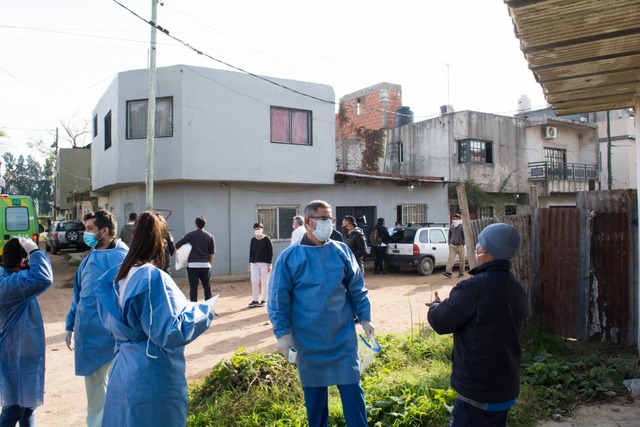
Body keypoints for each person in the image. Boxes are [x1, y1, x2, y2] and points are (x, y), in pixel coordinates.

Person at [94, 211, 215, 427]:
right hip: (152, 375)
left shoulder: (117, 276)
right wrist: (204, 312)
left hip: (122, 371)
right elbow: (170, 331)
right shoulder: (152, 278)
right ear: (161, 241)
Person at [268, 200, 375, 427]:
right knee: (315, 405)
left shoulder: (341, 251)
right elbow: (279, 299)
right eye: (324, 219)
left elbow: (357, 288)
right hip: (308, 342)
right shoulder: (290, 258)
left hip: (342, 339)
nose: (329, 223)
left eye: (331, 219)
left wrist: (365, 318)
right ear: (309, 221)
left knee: (353, 394)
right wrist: (282, 334)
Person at [426, 223, 528, 427]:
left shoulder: (473, 287)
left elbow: (441, 322)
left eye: (480, 243)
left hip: (478, 391)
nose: (477, 248)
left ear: (485, 250)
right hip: (505, 388)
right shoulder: (516, 287)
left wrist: (436, 306)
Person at [65, 209, 128, 427]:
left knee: (119, 394)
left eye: (90, 229)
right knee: (95, 399)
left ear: (104, 231)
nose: (86, 233)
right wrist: (70, 325)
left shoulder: (125, 260)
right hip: (89, 339)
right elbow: (78, 296)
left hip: (116, 339)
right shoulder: (88, 260)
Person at [0, 238, 53, 427]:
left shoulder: (8, 277)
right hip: (15, 354)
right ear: (23, 262)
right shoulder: (11, 285)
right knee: (14, 407)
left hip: (24, 351)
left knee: (28, 406)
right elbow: (43, 278)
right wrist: (36, 251)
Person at [175, 216, 215, 302]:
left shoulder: (191, 235)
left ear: (195, 225)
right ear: (204, 225)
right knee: (207, 288)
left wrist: (179, 257)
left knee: (193, 289)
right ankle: (208, 308)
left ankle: (193, 308)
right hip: (205, 265)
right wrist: (209, 264)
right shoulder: (210, 236)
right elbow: (212, 254)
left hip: (193, 266)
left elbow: (177, 245)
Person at [247, 223, 273, 307]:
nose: (257, 230)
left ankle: (264, 300)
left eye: (258, 229)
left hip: (265, 264)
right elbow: (251, 252)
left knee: (265, 282)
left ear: (262, 229)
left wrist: (269, 264)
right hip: (254, 264)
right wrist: (250, 263)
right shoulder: (253, 240)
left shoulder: (267, 239)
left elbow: (270, 252)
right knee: (254, 281)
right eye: (255, 229)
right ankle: (255, 300)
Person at [443, 213, 465, 278]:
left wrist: (463, 243)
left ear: (459, 219)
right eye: (454, 218)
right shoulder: (452, 226)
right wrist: (449, 242)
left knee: (462, 260)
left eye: (456, 218)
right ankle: (448, 272)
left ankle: (461, 272)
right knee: (451, 259)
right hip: (452, 246)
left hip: (460, 246)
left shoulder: (461, 226)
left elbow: (464, 236)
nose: (455, 219)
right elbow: (449, 235)